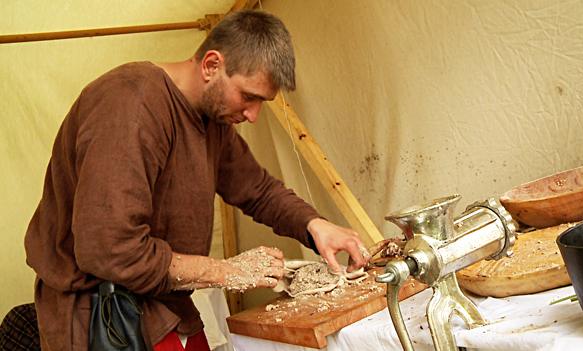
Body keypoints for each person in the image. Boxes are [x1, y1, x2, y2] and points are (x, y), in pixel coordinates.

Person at [24, 9, 369, 351]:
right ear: (211, 65)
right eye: (248, 97)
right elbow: (109, 249)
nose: (253, 115)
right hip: (105, 318)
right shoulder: (131, 102)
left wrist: (314, 225)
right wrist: (223, 271)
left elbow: (257, 190)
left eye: (262, 102)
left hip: (165, 304)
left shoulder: (212, 120)